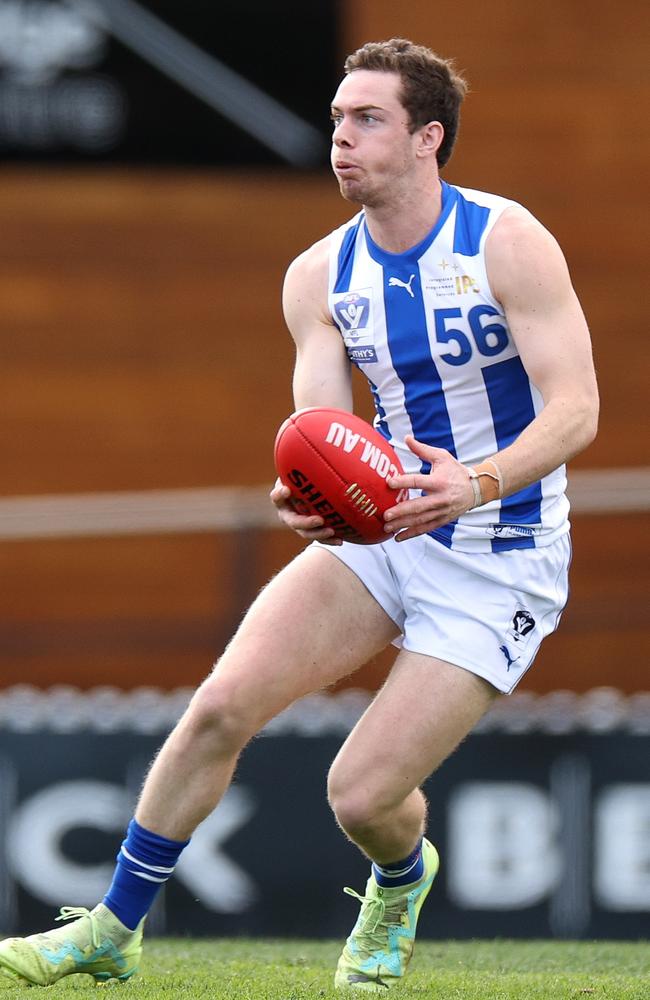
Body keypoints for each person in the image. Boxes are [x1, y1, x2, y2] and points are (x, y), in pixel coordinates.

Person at [0, 37, 598, 992]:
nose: (341, 140)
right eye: (335, 120)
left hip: (500, 551)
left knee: (360, 796)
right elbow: (318, 430)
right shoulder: (317, 275)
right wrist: (306, 495)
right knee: (216, 712)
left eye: (368, 120)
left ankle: (401, 881)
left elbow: (578, 409)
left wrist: (476, 482)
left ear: (426, 138)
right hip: (387, 539)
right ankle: (111, 928)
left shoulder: (505, 240)